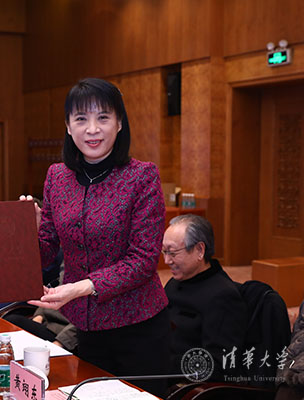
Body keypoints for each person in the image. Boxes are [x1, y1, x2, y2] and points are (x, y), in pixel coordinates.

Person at [26, 77, 171, 396]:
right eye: (81, 119)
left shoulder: (142, 177)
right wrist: (24, 231)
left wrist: (81, 287)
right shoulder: (57, 177)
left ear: (119, 123)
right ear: (68, 126)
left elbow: (143, 260)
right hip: (86, 327)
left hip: (139, 327)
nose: (92, 129)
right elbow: (46, 249)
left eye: (103, 117)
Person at [162, 214, 247, 382]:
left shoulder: (222, 296)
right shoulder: (174, 283)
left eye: (172, 253)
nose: (166, 260)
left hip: (184, 383)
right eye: (164, 252)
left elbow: (218, 364)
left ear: (199, 250)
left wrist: (162, 365)